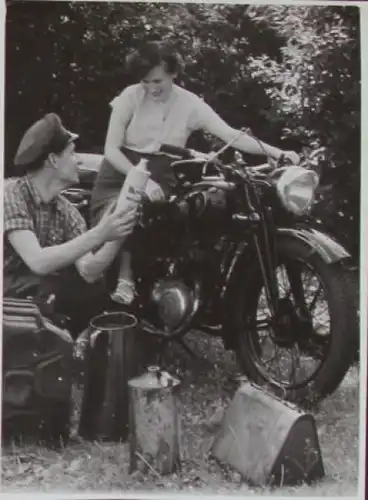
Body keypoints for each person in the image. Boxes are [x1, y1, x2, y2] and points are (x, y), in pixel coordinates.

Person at [90, 41, 300, 305]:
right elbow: (110, 149)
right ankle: (124, 277)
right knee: (127, 208)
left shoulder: (190, 104)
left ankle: (179, 285)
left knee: (182, 213)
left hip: (161, 172)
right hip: (120, 172)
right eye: (145, 82)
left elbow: (230, 135)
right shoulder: (130, 97)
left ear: (173, 73)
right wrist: (140, 180)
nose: (151, 88)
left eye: (157, 81)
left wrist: (277, 153)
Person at [3, 113, 139, 334]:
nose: (77, 160)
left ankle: (77, 353)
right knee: (50, 289)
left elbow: (89, 271)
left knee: (94, 293)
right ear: (53, 160)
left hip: (32, 293)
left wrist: (118, 232)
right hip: (7, 293)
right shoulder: (11, 195)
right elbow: (37, 261)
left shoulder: (66, 210)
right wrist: (99, 233)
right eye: (72, 153)